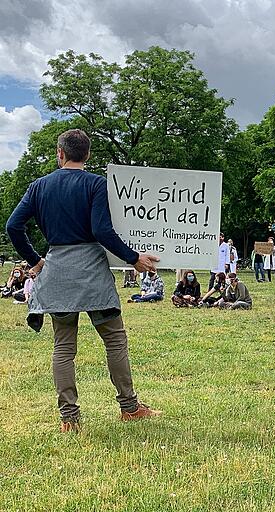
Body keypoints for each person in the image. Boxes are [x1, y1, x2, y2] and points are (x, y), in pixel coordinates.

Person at [5, 128, 160, 431]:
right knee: (114, 340)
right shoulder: (95, 184)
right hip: (92, 274)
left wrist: (37, 260)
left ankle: (69, 419)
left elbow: (14, 226)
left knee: (63, 347)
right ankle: (129, 408)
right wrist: (134, 258)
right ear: (87, 155)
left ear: (59, 154)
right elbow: (102, 231)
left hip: (58, 272)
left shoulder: (38, 187)